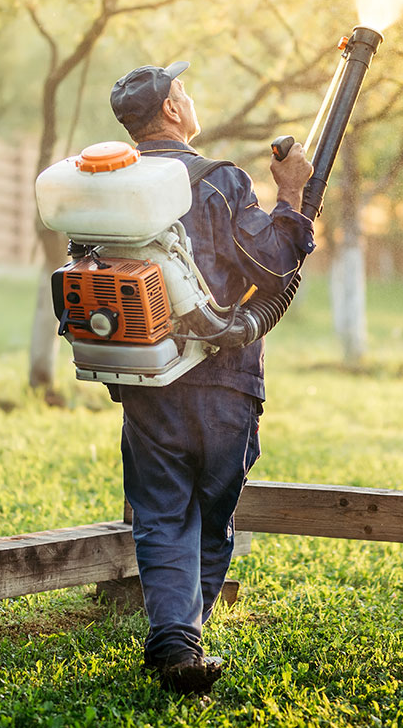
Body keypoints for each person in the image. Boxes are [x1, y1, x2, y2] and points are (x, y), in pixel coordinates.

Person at [106, 60, 315, 696]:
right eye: (185, 91)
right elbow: (276, 267)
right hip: (224, 384)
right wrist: (294, 195)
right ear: (172, 110)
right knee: (213, 515)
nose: (190, 98)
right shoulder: (218, 181)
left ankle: (176, 640)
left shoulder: (111, 185)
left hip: (149, 383)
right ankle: (181, 642)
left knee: (162, 514)